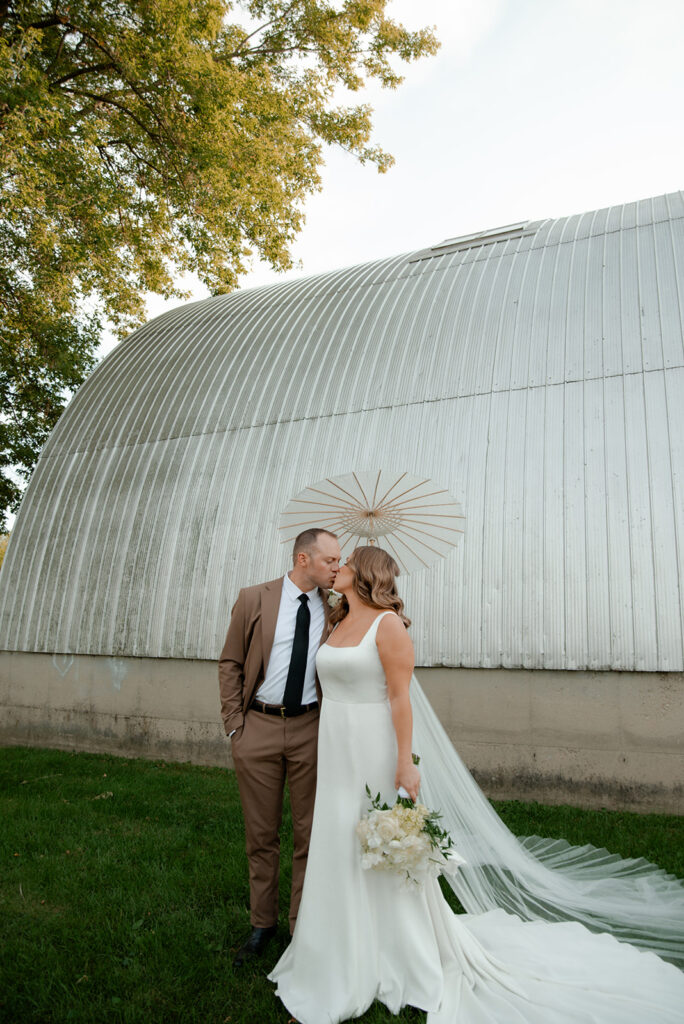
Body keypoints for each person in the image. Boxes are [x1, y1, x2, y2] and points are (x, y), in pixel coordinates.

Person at [269, 545, 684, 1023]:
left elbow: (401, 702)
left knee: (377, 842)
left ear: (367, 573)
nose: (335, 566)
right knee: (338, 841)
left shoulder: (389, 627)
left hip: (373, 752)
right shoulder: (336, 621)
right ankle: (336, 948)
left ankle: (395, 951)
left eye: (346, 560)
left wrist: (405, 763)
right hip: (336, 749)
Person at [219, 528, 341, 967]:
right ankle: (261, 925)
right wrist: (236, 726)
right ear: (303, 559)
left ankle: (300, 925)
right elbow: (231, 661)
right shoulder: (255, 598)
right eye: (330, 560)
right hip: (259, 728)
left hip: (311, 727)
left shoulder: (335, 610)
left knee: (309, 832)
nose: (337, 568)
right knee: (261, 834)